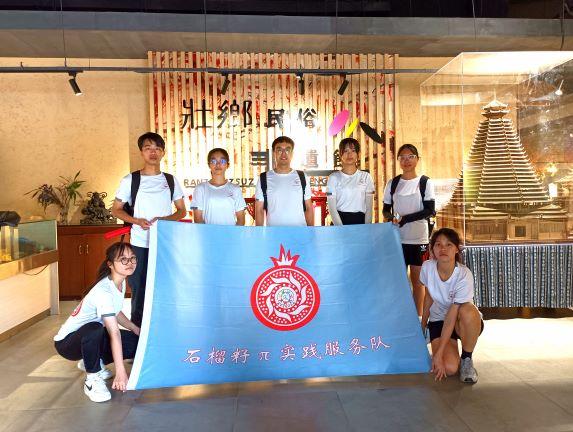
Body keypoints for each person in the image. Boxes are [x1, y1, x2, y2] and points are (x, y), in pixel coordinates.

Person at [111, 132, 186, 328]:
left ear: (163, 153)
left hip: (165, 244)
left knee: (166, 287)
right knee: (139, 289)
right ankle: (139, 334)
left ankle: (166, 329)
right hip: (139, 245)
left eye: (157, 149)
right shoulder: (131, 180)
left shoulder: (170, 180)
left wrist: (164, 220)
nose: (153, 152)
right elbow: (116, 210)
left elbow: (182, 210)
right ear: (141, 152)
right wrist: (136, 220)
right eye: (148, 148)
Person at [54, 242, 140, 402]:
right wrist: (121, 372)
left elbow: (115, 311)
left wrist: (134, 328)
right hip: (67, 344)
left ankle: (91, 360)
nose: (129, 263)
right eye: (123, 259)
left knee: (137, 343)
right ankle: (92, 379)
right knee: (95, 328)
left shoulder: (120, 282)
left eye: (132, 258)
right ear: (110, 264)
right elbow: (114, 333)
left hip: (91, 337)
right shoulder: (103, 291)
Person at [420, 228, 483, 383]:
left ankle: (467, 359)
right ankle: (445, 349)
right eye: (438, 244)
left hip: (460, 321)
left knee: (468, 310)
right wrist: (422, 326)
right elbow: (428, 297)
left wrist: (439, 354)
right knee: (449, 368)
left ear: (456, 249)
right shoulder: (427, 267)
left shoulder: (464, 275)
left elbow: (451, 315)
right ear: (432, 249)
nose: (443, 249)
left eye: (449, 244)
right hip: (438, 319)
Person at [383, 143, 435, 316]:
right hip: (397, 239)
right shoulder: (393, 183)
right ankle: (400, 318)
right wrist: (391, 218)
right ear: (398, 160)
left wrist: (405, 219)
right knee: (398, 281)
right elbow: (385, 209)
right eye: (402, 158)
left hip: (419, 239)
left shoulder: (425, 182)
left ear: (417, 159)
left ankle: (417, 319)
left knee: (418, 282)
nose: (406, 161)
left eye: (410, 157)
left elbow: (430, 210)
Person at [255, 136, 314, 226]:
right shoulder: (264, 178)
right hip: (274, 232)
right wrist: (259, 232)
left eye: (287, 150)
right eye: (279, 150)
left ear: (292, 153)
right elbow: (259, 209)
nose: (283, 154)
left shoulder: (302, 176)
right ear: (274, 153)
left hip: (300, 231)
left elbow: (309, 207)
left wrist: (311, 231)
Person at [190, 148, 246, 225]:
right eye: (213, 161)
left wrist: (232, 233)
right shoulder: (201, 188)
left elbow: (241, 220)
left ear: (227, 165)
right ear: (209, 165)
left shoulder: (235, 189)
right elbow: (198, 219)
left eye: (222, 161)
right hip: (207, 233)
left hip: (230, 233)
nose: (218, 164)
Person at [326, 138, 375, 225]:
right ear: (340, 154)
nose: (349, 154)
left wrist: (367, 228)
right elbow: (332, 209)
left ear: (358, 154)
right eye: (346, 151)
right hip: (339, 222)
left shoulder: (366, 177)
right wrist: (341, 229)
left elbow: (369, 209)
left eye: (353, 150)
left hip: (360, 223)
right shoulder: (333, 178)